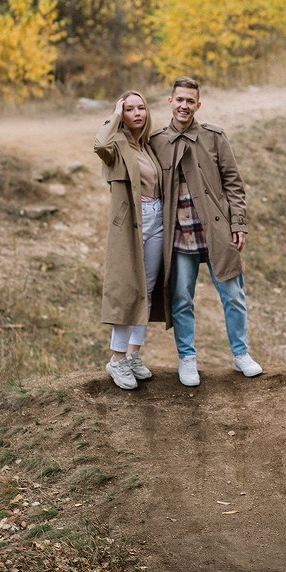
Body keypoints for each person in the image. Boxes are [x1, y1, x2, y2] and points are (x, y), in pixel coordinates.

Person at [149, 76, 262, 387]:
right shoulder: (155, 140)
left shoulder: (214, 137)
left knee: (233, 296)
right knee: (181, 300)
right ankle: (187, 359)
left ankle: (241, 354)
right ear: (169, 101)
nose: (184, 105)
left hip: (215, 231)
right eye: (179, 99)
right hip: (177, 235)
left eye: (190, 101)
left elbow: (234, 184)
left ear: (197, 105)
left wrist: (238, 224)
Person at [94, 91, 165, 390]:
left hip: (156, 218)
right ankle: (116, 359)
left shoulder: (147, 146)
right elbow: (100, 144)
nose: (137, 113)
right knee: (127, 290)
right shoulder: (117, 145)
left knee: (146, 290)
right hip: (130, 224)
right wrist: (114, 112)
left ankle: (133, 354)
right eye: (129, 109)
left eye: (141, 108)